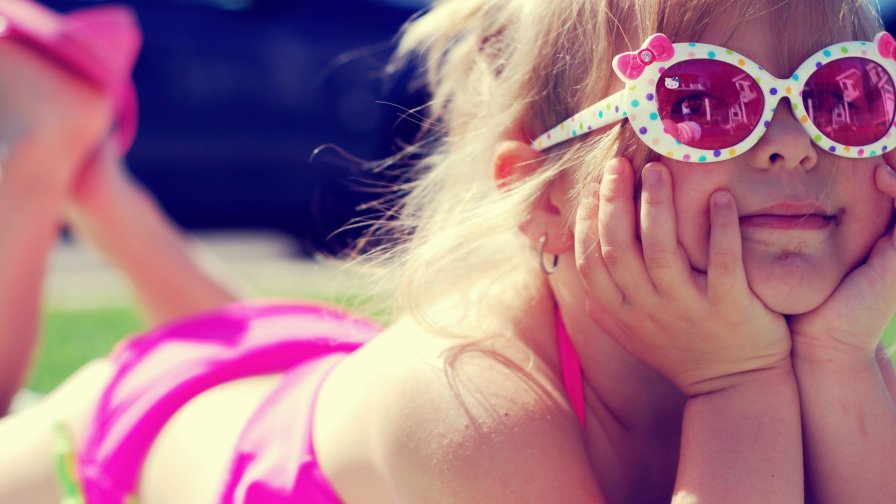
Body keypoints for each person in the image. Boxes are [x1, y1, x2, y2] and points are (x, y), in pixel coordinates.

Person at [2, 0, 896, 502]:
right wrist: (737, 385)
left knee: (242, 333)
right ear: (546, 195)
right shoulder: (466, 412)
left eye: (845, 97)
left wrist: (835, 356)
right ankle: (42, 164)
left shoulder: (834, 356)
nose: (795, 145)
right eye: (704, 103)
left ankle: (99, 182)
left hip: (307, 359)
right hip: (132, 437)